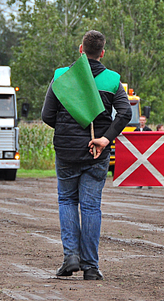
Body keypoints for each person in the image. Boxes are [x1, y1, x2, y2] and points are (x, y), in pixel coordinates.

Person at [41, 30, 132, 281]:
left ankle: (70, 257)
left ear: (81, 49)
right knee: (91, 207)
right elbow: (125, 114)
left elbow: (47, 116)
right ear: (102, 52)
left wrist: (68, 132)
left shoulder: (61, 76)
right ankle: (91, 267)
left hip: (67, 152)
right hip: (97, 153)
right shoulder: (113, 80)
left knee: (67, 201)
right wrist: (105, 138)